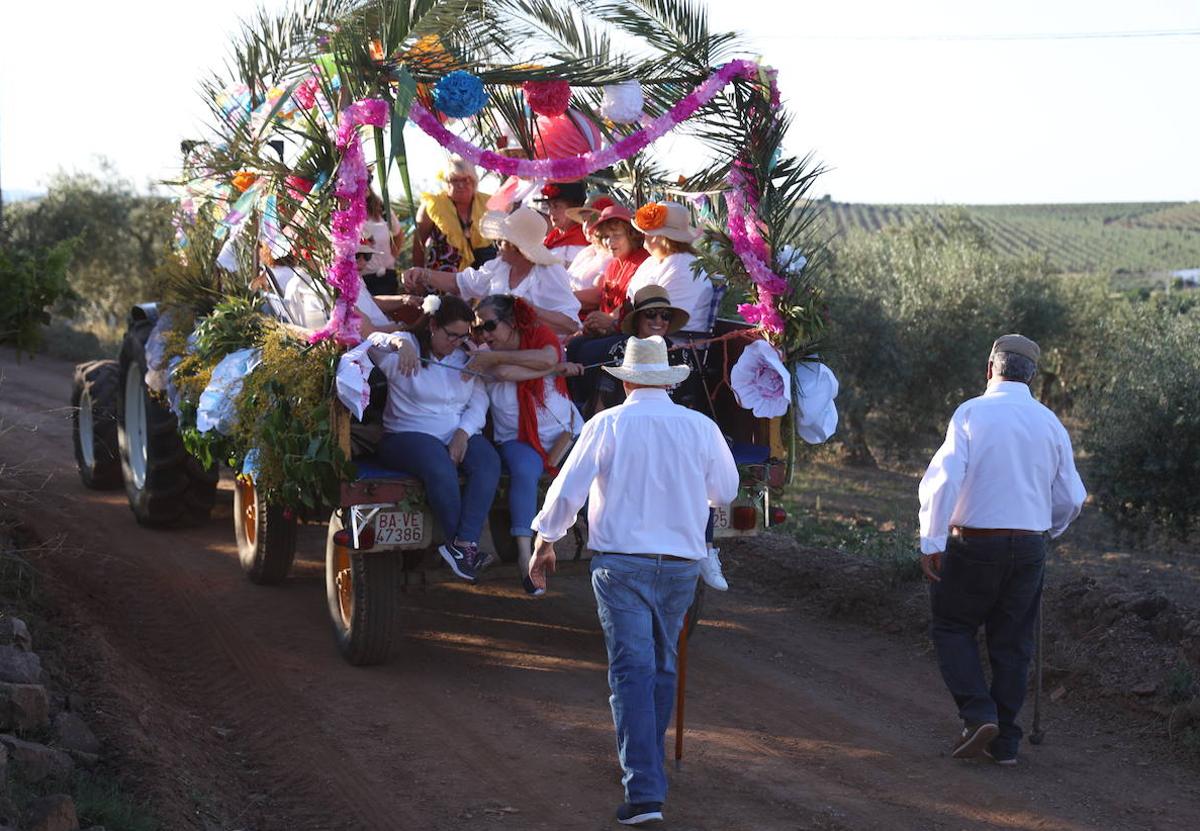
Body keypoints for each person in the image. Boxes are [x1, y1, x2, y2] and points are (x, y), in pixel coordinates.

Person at [529, 335, 739, 826]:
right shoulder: (700, 427)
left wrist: (546, 539)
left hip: (621, 564)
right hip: (680, 566)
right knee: (661, 665)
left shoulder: (608, 424)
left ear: (624, 379)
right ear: (665, 380)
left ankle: (644, 789)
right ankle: (647, 769)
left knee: (631, 672)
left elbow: (568, 489)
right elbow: (724, 491)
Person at [918, 334, 1087, 766]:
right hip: (1029, 545)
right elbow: (1072, 497)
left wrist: (932, 540)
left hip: (975, 544)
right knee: (1012, 644)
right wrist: (1041, 528)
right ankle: (1006, 742)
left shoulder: (972, 413)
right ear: (1031, 376)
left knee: (953, 627)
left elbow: (943, 480)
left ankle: (978, 714)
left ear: (990, 368)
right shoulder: (1050, 422)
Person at [365, 295, 500, 583]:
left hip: (456, 430)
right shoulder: (408, 345)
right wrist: (398, 344)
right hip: (406, 434)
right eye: (452, 335)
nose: (457, 341)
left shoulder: (466, 354)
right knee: (439, 464)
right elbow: (371, 340)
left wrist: (463, 434)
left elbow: (478, 402)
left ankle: (465, 545)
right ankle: (456, 543)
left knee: (488, 462)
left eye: (464, 335)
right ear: (434, 326)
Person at [464, 295, 583, 592]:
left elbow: (547, 357)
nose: (485, 335)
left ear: (512, 322)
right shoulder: (484, 354)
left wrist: (550, 367)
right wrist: (552, 370)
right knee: (525, 472)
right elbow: (505, 373)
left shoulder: (537, 335)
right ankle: (524, 556)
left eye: (490, 326)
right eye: (478, 330)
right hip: (518, 440)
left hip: (565, 433)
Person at [403, 207, 581, 337]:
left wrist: (529, 310)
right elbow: (461, 283)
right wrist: (422, 274)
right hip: (498, 351)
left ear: (515, 247)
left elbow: (571, 325)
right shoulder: (499, 266)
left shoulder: (548, 272)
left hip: (536, 356)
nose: (497, 247)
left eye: (500, 242)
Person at [564, 204, 650, 407]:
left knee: (587, 352)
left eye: (616, 235)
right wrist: (594, 326)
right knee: (574, 346)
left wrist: (609, 321)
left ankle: (591, 406)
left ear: (632, 234)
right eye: (605, 237)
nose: (609, 242)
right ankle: (576, 404)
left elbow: (633, 305)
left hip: (631, 331)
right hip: (610, 330)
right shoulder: (612, 266)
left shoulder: (642, 263)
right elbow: (605, 305)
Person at [627, 201, 715, 338]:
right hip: (643, 336)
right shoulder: (653, 261)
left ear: (660, 237)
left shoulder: (682, 269)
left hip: (673, 346)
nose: (643, 235)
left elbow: (659, 319)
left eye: (647, 232)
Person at [412, 155, 495, 272]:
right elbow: (418, 244)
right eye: (455, 180)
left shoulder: (489, 203)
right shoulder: (432, 205)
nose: (461, 185)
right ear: (446, 182)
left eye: (466, 179)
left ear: (474, 181)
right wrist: (419, 276)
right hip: (443, 279)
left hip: (484, 276)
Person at [564, 194, 616, 295]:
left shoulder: (613, 255)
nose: (586, 226)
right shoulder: (586, 251)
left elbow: (599, 295)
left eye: (592, 220)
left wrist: (565, 298)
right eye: (584, 220)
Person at [360, 190, 405, 295]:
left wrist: (391, 258)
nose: (365, 183)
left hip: (388, 277)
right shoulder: (343, 214)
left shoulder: (382, 209)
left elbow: (398, 235)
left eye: (369, 179)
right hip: (363, 281)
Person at [537, 181, 590, 268]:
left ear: (574, 209)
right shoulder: (553, 236)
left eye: (556, 206)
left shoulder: (578, 245)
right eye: (549, 206)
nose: (551, 212)